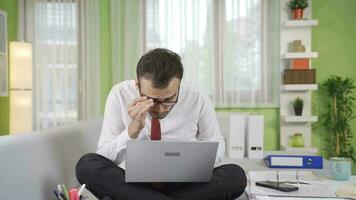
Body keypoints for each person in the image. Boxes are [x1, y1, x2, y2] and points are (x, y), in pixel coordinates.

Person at [75, 48, 247, 200]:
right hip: (133, 184)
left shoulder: (197, 97)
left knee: (236, 175)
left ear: (179, 84)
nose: (161, 108)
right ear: (138, 85)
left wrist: (192, 163)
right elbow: (104, 158)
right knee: (86, 165)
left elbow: (217, 146)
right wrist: (132, 131)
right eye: (153, 100)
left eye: (169, 99)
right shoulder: (119, 94)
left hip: (185, 184)